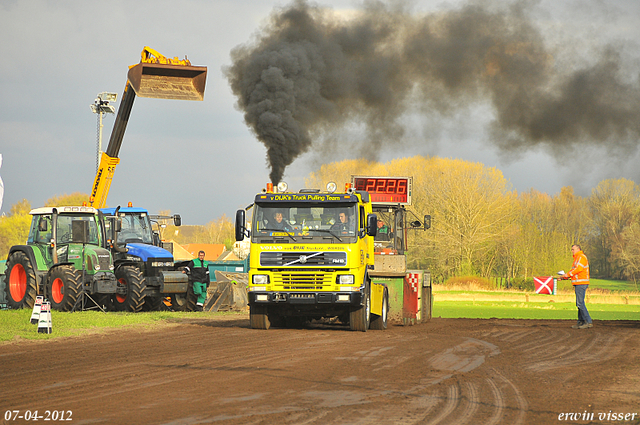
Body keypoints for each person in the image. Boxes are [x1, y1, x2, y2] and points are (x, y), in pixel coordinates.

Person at [561, 244, 592, 329]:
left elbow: (578, 269)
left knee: (580, 303)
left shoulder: (581, 257)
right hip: (578, 283)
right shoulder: (577, 258)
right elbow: (574, 272)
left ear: (578, 249)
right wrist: (564, 277)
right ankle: (581, 321)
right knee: (579, 303)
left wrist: (567, 275)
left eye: (573, 249)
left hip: (581, 283)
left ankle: (587, 321)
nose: (572, 251)